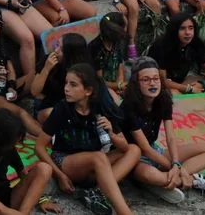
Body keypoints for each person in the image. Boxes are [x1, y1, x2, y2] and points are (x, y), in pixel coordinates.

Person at [35, 63, 140, 215]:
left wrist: (111, 132)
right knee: (98, 157)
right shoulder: (62, 109)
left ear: (88, 91)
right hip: (66, 162)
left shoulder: (100, 107)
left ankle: (96, 192)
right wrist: (60, 175)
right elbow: (39, 147)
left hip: (94, 165)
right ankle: (124, 212)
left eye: (73, 85)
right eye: (66, 83)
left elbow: (124, 147)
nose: (66, 88)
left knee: (134, 149)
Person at [122, 57, 205, 204]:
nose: (152, 83)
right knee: (151, 175)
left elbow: (170, 137)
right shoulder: (129, 106)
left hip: (156, 150)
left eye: (155, 78)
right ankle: (190, 179)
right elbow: (144, 148)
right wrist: (174, 167)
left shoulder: (163, 98)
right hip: (134, 157)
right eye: (145, 80)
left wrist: (176, 164)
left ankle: (173, 179)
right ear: (136, 83)